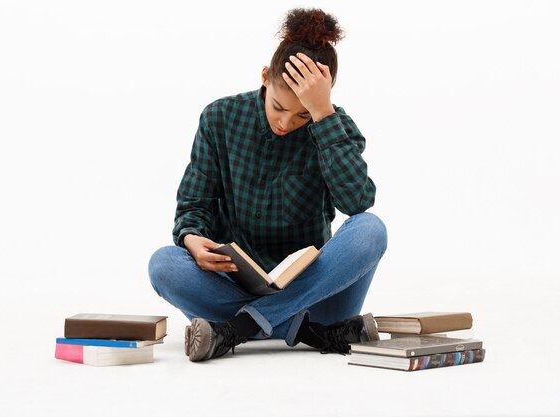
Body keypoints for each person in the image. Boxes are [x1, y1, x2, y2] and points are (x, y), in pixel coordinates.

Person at [148, 8, 388, 362]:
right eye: (278, 107)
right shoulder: (220, 118)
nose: (286, 122)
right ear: (264, 77)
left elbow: (356, 202)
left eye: (302, 114)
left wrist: (322, 117)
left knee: (371, 229)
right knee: (163, 265)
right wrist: (192, 239)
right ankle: (304, 332)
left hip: (316, 293)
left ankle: (240, 330)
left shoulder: (336, 125)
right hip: (234, 286)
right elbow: (193, 206)